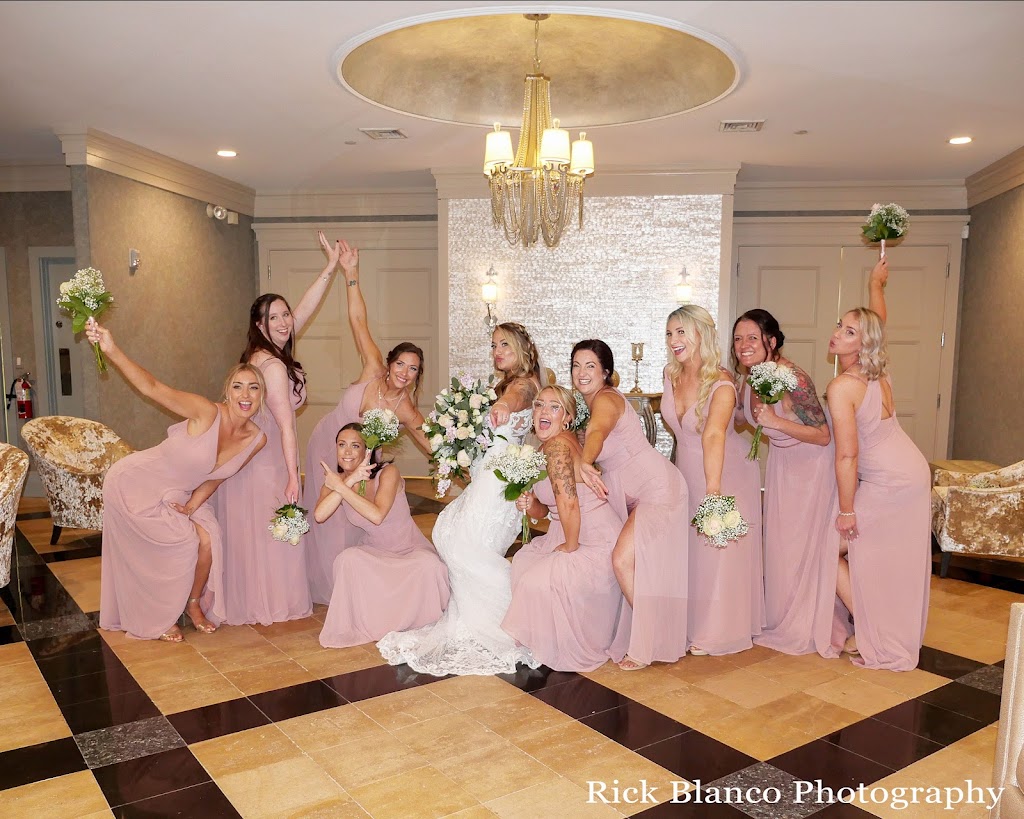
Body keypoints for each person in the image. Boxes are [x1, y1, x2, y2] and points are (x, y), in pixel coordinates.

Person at [377, 322, 543, 675]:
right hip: (485, 478)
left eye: (505, 345)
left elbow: (515, 401)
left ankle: (511, 623)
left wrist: (501, 406)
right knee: (449, 535)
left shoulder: (524, 385)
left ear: (523, 351)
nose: (497, 351)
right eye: (495, 345)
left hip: (498, 485)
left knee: (467, 546)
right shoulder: (502, 382)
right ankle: (477, 621)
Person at [86, 318, 265, 642]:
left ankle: (193, 603)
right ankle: (161, 615)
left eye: (254, 388)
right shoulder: (206, 412)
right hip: (137, 484)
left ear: (261, 396)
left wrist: (193, 503)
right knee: (183, 543)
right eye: (238, 386)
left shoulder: (256, 439)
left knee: (208, 540)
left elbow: (220, 476)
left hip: (180, 494)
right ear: (227, 391)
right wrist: (111, 349)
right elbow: (152, 388)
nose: (246, 394)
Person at [215, 230, 341, 625]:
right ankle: (268, 603)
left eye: (286, 315)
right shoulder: (270, 365)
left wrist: (330, 267)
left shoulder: (267, 350)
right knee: (273, 528)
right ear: (259, 323)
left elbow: (303, 308)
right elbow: (287, 426)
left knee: (262, 530)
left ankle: (258, 599)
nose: (286, 322)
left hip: (259, 454)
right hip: (268, 460)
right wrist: (292, 474)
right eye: (276, 317)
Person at [302, 237, 431, 604]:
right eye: (401, 364)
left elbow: (427, 440)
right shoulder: (372, 369)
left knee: (348, 520)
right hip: (326, 442)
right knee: (322, 515)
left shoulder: (404, 408)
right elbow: (358, 321)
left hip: (357, 462)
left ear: (417, 376)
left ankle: (348, 590)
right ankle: (318, 584)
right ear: (389, 363)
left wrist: (463, 461)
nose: (405, 373)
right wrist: (351, 274)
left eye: (414, 370)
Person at [826, 259, 930, 670]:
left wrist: (848, 509)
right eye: (839, 325)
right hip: (911, 472)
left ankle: (868, 630)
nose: (837, 333)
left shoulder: (842, 387)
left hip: (890, 481)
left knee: (825, 550)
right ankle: (868, 626)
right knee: (879, 555)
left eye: (849, 331)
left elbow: (848, 455)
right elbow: (878, 325)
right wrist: (875, 286)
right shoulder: (876, 373)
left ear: (861, 345)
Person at [570, 340, 689, 671]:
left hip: (658, 489)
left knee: (622, 561)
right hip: (636, 495)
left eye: (590, 366)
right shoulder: (586, 405)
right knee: (632, 564)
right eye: (576, 366)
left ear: (606, 372)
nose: (582, 373)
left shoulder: (606, 400)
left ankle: (653, 639)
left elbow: (597, 432)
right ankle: (662, 632)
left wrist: (586, 460)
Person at [660, 305, 765, 655]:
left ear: (701, 334)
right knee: (692, 548)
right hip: (686, 468)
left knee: (717, 551)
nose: (674, 340)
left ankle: (718, 631)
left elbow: (715, 437)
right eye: (670, 333)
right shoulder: (670, 374)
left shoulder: (720, 382)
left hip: (723, 470)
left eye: (681, 332)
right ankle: (690, 621)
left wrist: (714, 494)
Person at [731, 310, 835, 655]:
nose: (743, 346)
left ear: (771, 342)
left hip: (810, 468)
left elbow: (822, 435)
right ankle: (782, 614)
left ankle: (803, 621)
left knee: (798, 546)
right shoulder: (751, 378)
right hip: (782, 464)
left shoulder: (793, 378)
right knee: (780, 545)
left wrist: (776, 422)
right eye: (737, 339)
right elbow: (745, 417)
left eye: (752, 338)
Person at [501, 386, 624, 672]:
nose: (544, 412)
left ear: (567, 417)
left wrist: (570, 548)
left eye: (554, 407)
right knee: (523, 561)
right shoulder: (548, 445)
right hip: (569, 527)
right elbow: (550, 509)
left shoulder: (557, 447)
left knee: (538, 581)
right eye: (540, 405)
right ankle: (547, 641)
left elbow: (569, 504)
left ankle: (560, 644)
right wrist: (532, 504)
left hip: (590, 537)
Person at [315, 424, 449, 648]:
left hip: (408, 548)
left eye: (355, 445)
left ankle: (415, 621)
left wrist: (341, 487)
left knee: (429, 565)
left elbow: (377, 515)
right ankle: (375, 623)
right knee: (347, 559)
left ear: (367, 451)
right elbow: (320, 515)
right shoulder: (335, 480)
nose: (347, 452)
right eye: (341, 445)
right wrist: (347, 481)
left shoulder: (389, 473)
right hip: (374, 550)